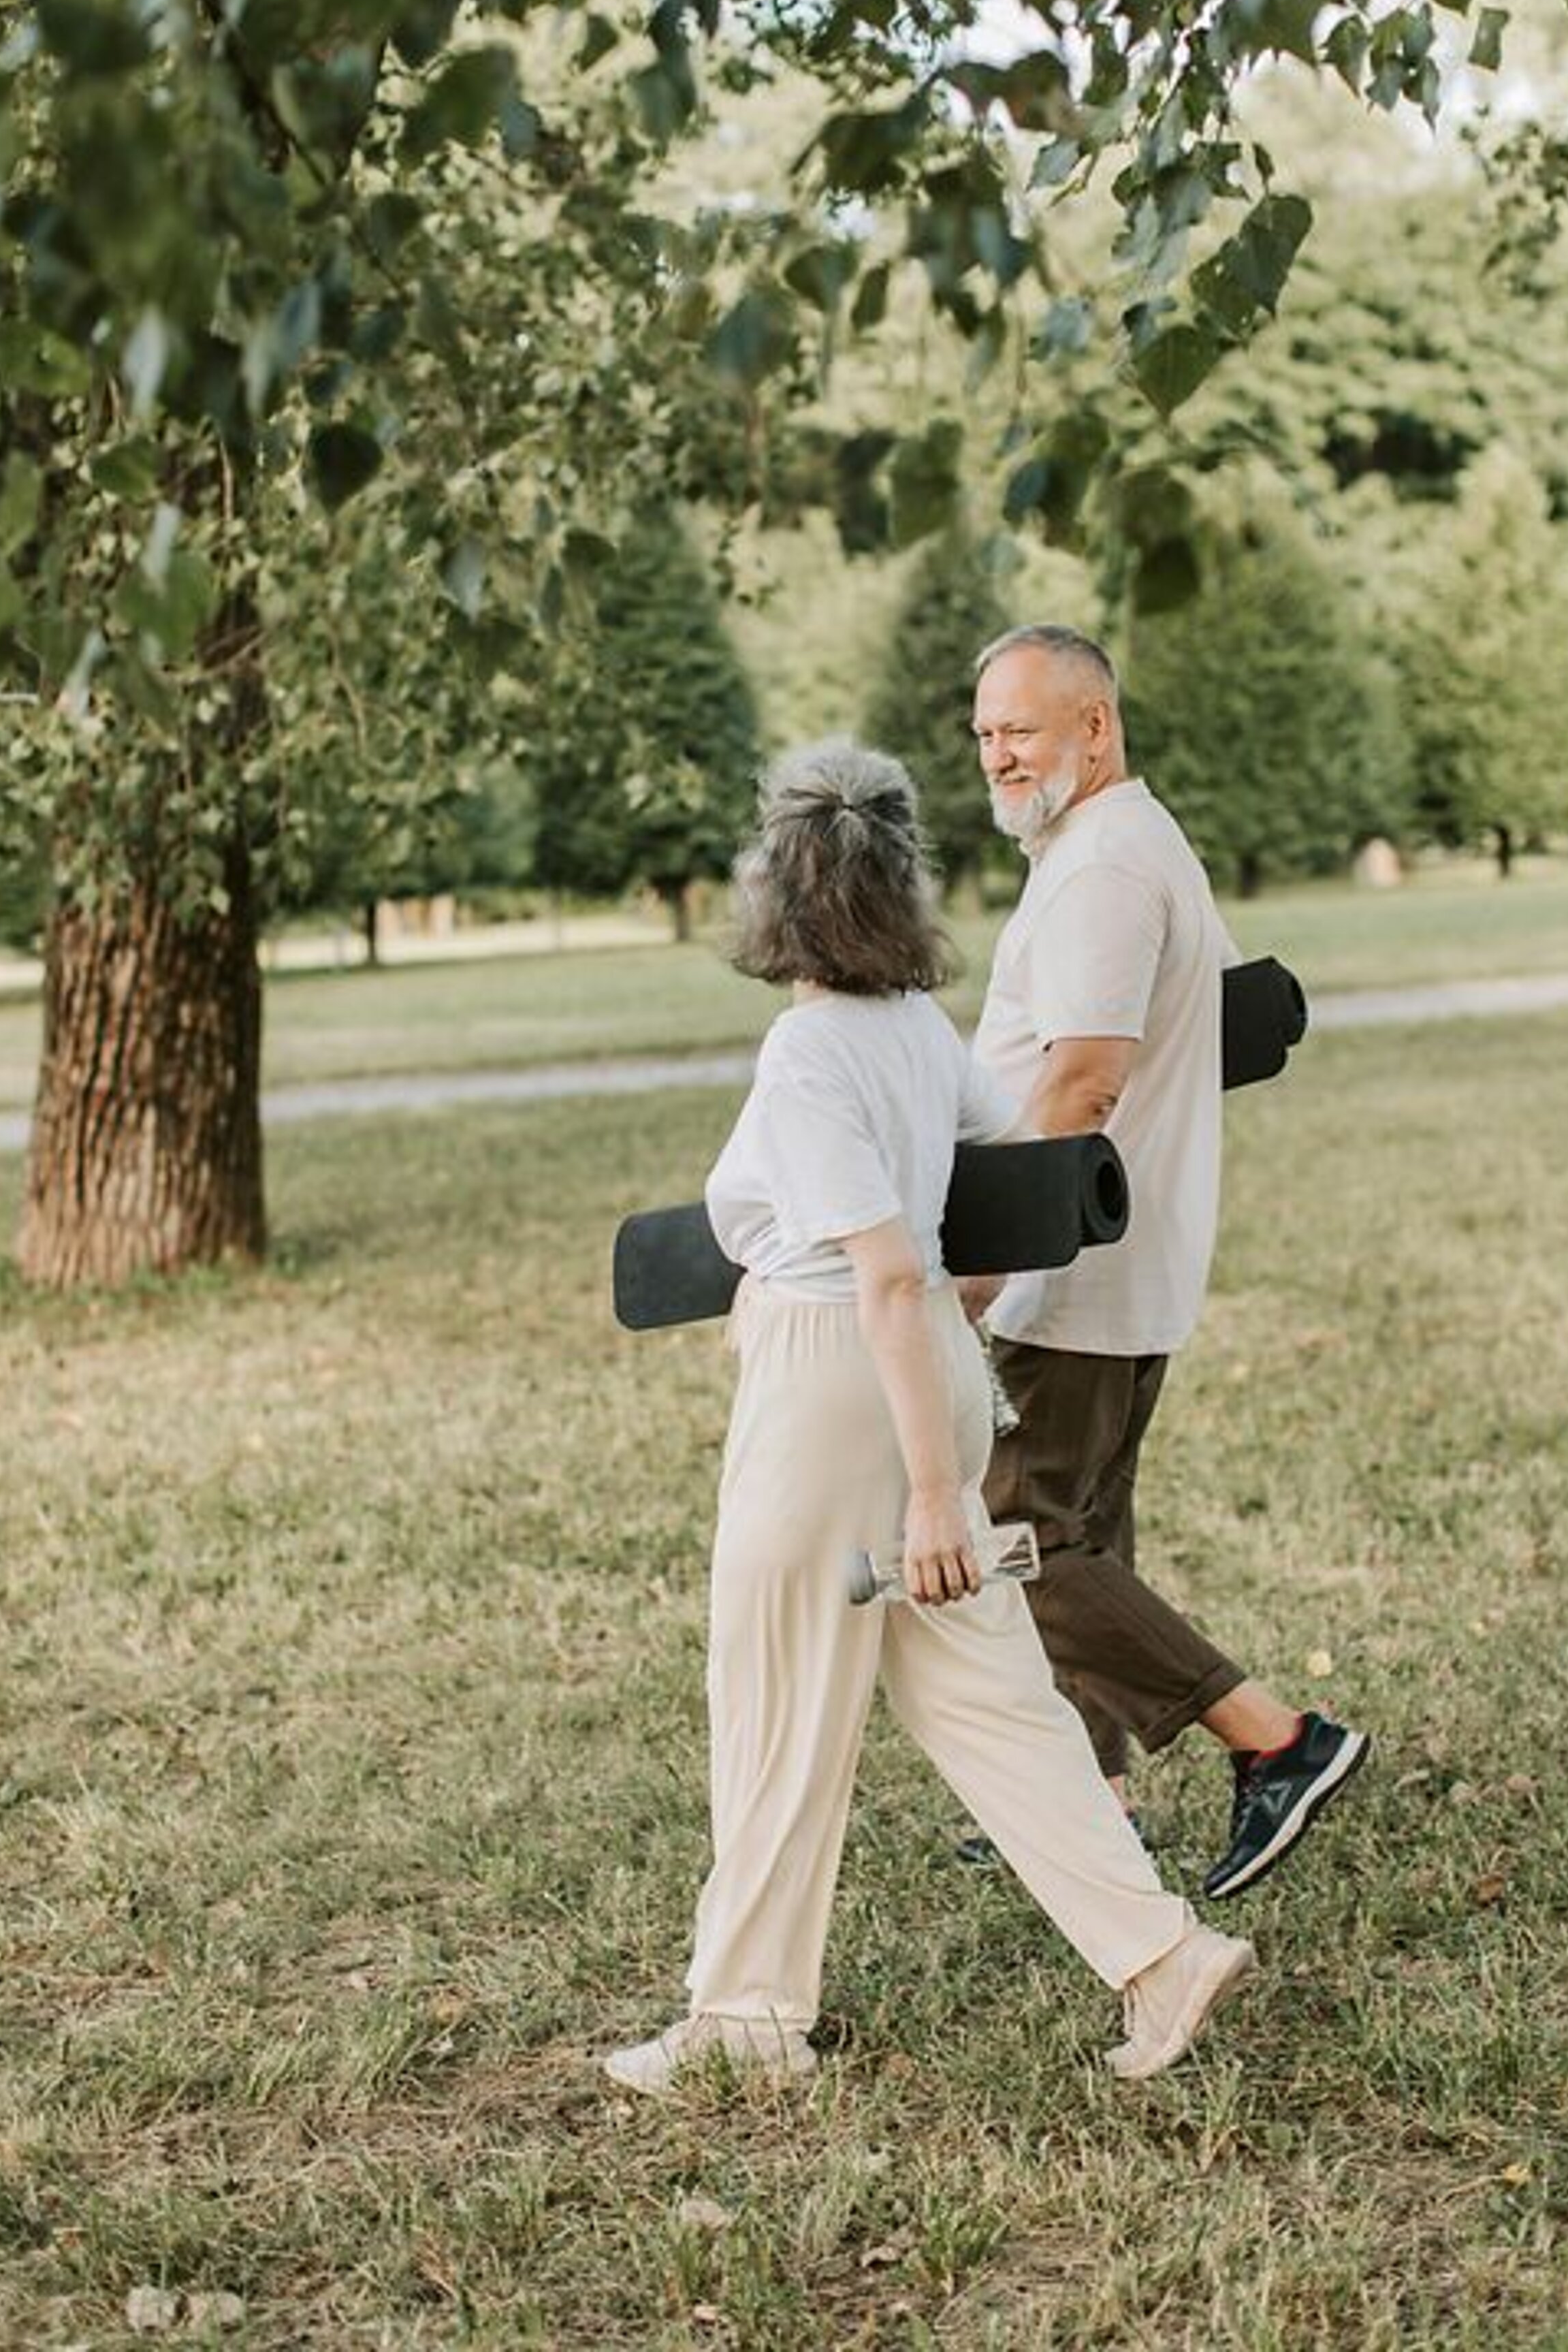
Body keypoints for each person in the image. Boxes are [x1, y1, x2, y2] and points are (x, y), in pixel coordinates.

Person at [603, 739, 1257, 2097]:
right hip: (926, 1385)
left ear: (772, 894)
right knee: (990, 1703)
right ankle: (1161, 1956)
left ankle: (744, 2020)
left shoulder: (805, 1056)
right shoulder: (911, 1034)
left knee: (776, 1699)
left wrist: (923, 1488)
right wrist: (948, 1401)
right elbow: (999, 1193)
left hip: (838, 1392)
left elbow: (890, 1271)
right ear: (899, 888)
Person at [964, 626, 1370, 1901]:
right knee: (1081, 1532)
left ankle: (1276, 1738)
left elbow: (1082, 1077)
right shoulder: (1132, 841)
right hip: (1124, 1258)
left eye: (1019, 728)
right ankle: (1090, 1798)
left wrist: (976, 1260)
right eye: (983, 734)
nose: (996, 755)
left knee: (1011, 1536)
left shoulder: (1099, 870)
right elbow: (1230, 1025)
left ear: (1096, 726)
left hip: (1071, 1264)